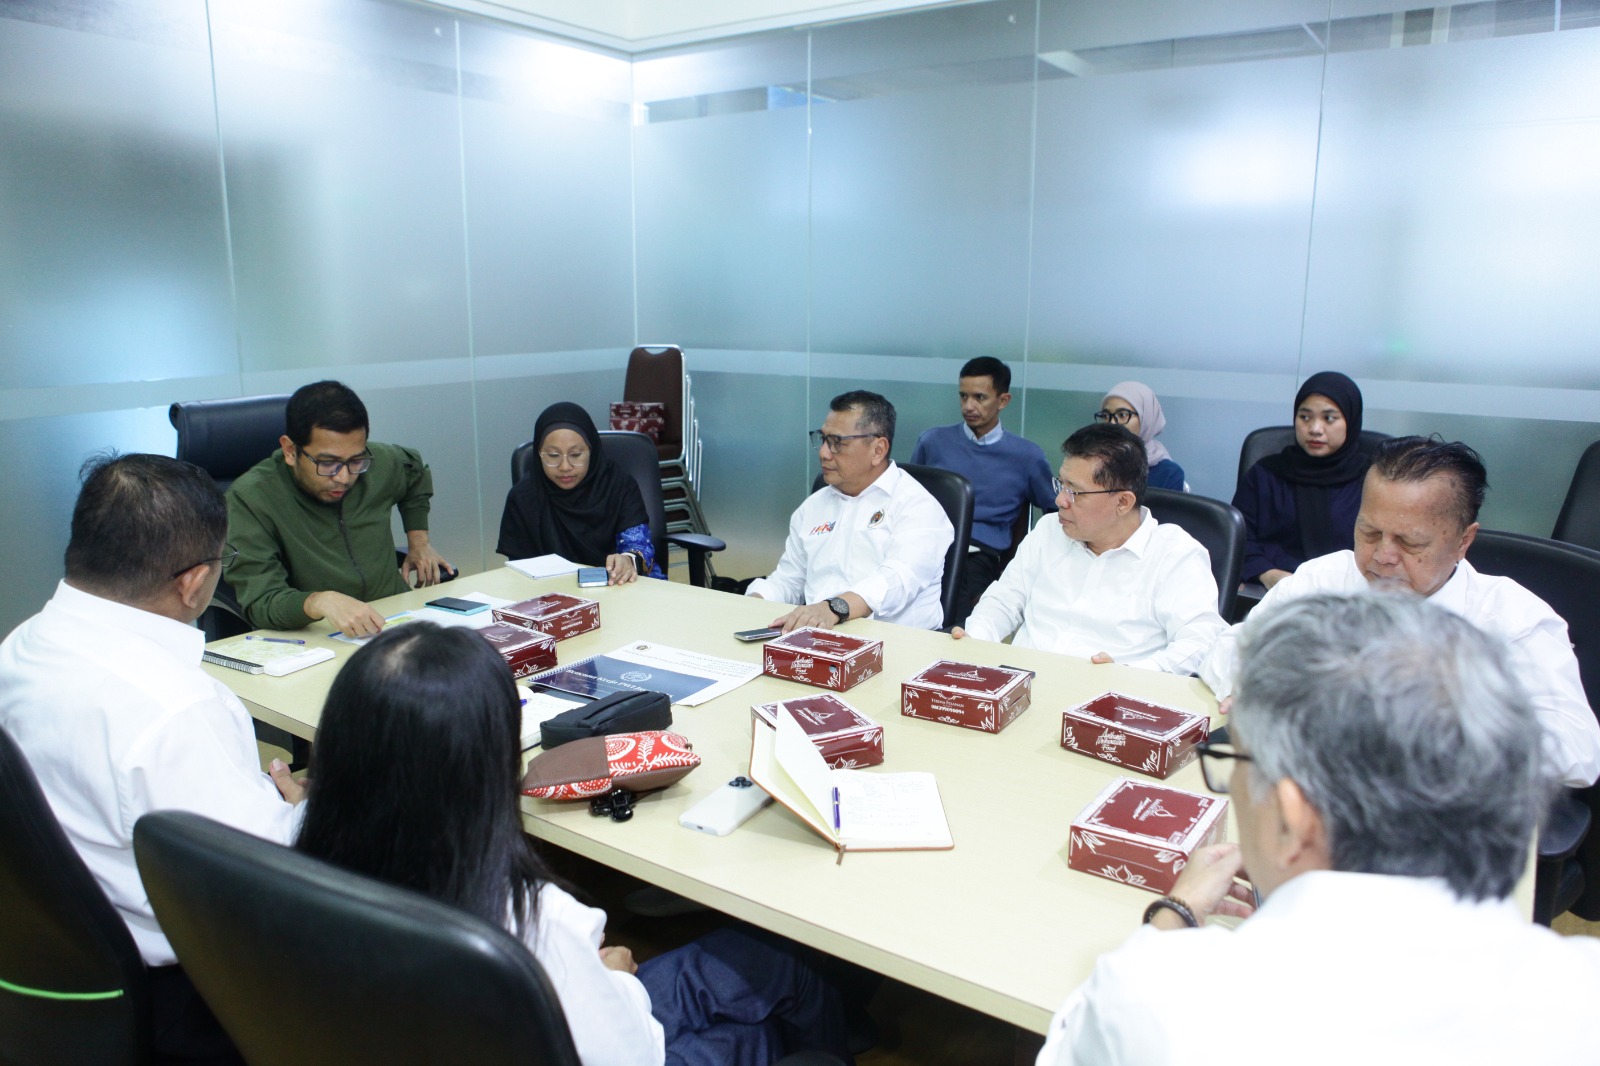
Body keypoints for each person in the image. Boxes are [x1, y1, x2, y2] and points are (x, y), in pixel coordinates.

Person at [1037, 593, 1600, 1065]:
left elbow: (1072, 1045)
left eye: (1234, 761)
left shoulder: (1158, 1002)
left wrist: (1173, 914)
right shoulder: (1582, 996)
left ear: (1293, 817)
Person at [296, 622, 853, 1066]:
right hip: (587, 1036)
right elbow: (632, 1052)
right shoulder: (538, 925)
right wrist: (614, 982)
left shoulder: (296, 868)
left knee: (769, 961)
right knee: (771, 1017)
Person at [0, 453, 304, 1061]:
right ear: (193, 582)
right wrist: (300, 812)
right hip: (183, 1000)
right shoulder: (179, 709)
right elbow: (264, 889)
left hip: (59, 971)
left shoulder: (21, 645)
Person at [1202, 435, 1600, 787]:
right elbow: (1231, 647)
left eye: (1410, 543)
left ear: (1463, 541)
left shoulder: (1511, 619)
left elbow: (1578, 750)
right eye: (1369, 532)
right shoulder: (1325, 578)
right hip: (1311, 789)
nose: (1383, 556)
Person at [955, 423, 1226, 674]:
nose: (1060, 500)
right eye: (1061, 484)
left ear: (1123, 502)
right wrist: (975, 639)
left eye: (1074, 492)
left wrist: (1132, 674)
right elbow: (1003, 601)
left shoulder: (1174, 555)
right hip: (1021, 687)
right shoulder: (1049, 530)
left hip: (1113, 698)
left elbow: (1199, 643)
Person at [227, 380, 453, 638]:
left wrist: (419, 541)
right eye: (328, 463)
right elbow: (261, 601)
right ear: (290, 451)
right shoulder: (251, 499)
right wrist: (318, 602)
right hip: (317, 634)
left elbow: (414, 473)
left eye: (355, 460)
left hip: (394, 617)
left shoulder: (379, 464)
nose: (343, 477)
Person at [748, 390, 953, 632]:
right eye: (823, 439)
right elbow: (789, 580)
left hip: (898, 642)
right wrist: (752, 602)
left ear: (878, 450)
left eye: (837, 442)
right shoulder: (813, 507)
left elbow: (896, 580)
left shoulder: (917, 505)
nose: (824, 453)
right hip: (818, 637)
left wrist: (832, 608)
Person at [910, 357, 1058, 627]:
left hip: (980, 555)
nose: (969, 406)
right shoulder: (933, 442)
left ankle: (951, 645)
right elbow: (908, 498)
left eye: (979, 397)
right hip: (929, 545)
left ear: (1003, 400)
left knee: (957, 606)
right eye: (963, 396)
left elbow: (1056, 509)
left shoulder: (1027, 456)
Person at [497, 402, 662, 583]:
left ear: (591, 451)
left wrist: (628, 560)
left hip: (619, 585)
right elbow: (520, 571)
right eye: (553, 456)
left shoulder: (619, 486)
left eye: (575, 455)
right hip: (551, 593)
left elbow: (638, 544)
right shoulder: (523, 498)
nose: (565, 466)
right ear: (539, 454)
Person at [1233, 370, 1368, 588]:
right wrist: (1269, 574)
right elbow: (1238, 538)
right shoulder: (1265, 474)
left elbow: (1380, 545)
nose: (1315, 429)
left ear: (1350, 421)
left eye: (1329, 418)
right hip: (1270, 590)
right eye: (1305, 417)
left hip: (1348, 595)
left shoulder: (1371, 479)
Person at [1096, 382, 1184, 491]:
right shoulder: (1092, 462)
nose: (1112, 423)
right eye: (1106, 416)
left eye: (1122, 415)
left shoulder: (1168, 473)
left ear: (1146, 419)